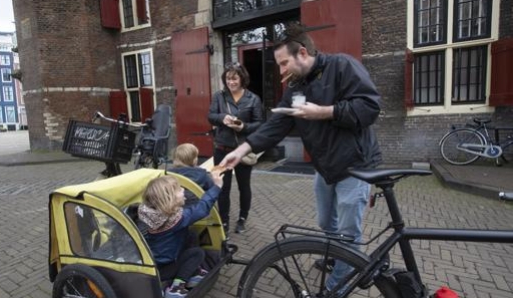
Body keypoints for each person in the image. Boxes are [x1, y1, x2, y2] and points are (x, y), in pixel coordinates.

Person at [219, 24, 382, 292]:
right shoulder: (296, 88)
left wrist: (326, 111)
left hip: (355, 167)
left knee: (348, 233)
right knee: (324, 223)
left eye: (284, 63)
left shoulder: (342, 66)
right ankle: (336, 258)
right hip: (325, 167)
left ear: (303, 53)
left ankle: (335, 287)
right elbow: (276, 124)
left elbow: (370, 107)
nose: (281, 71)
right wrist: (240, 151)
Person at [138, 172, 223, 298]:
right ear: (170, 198)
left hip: (154, 262)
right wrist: (216, 187)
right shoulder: (177, 219)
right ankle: (176, 287)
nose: (183, 190)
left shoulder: (150, 215)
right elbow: (202, 208)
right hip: (164, 268)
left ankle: (193, 273)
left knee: (192, 235)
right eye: (179, 189)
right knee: (197, 253)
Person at [207, 62, 264, 236]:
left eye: (235, 78)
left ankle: (242, 219)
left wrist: (243, 127)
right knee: (222, 186)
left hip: (242, 150)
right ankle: (224, 220)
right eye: (228, 78)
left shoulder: (253, 99)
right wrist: (222, 118)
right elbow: (210, 116)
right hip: (222, 148)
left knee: (244, 186)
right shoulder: (219, 96)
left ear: (242, 78)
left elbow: (259, 124)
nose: (231, 82)